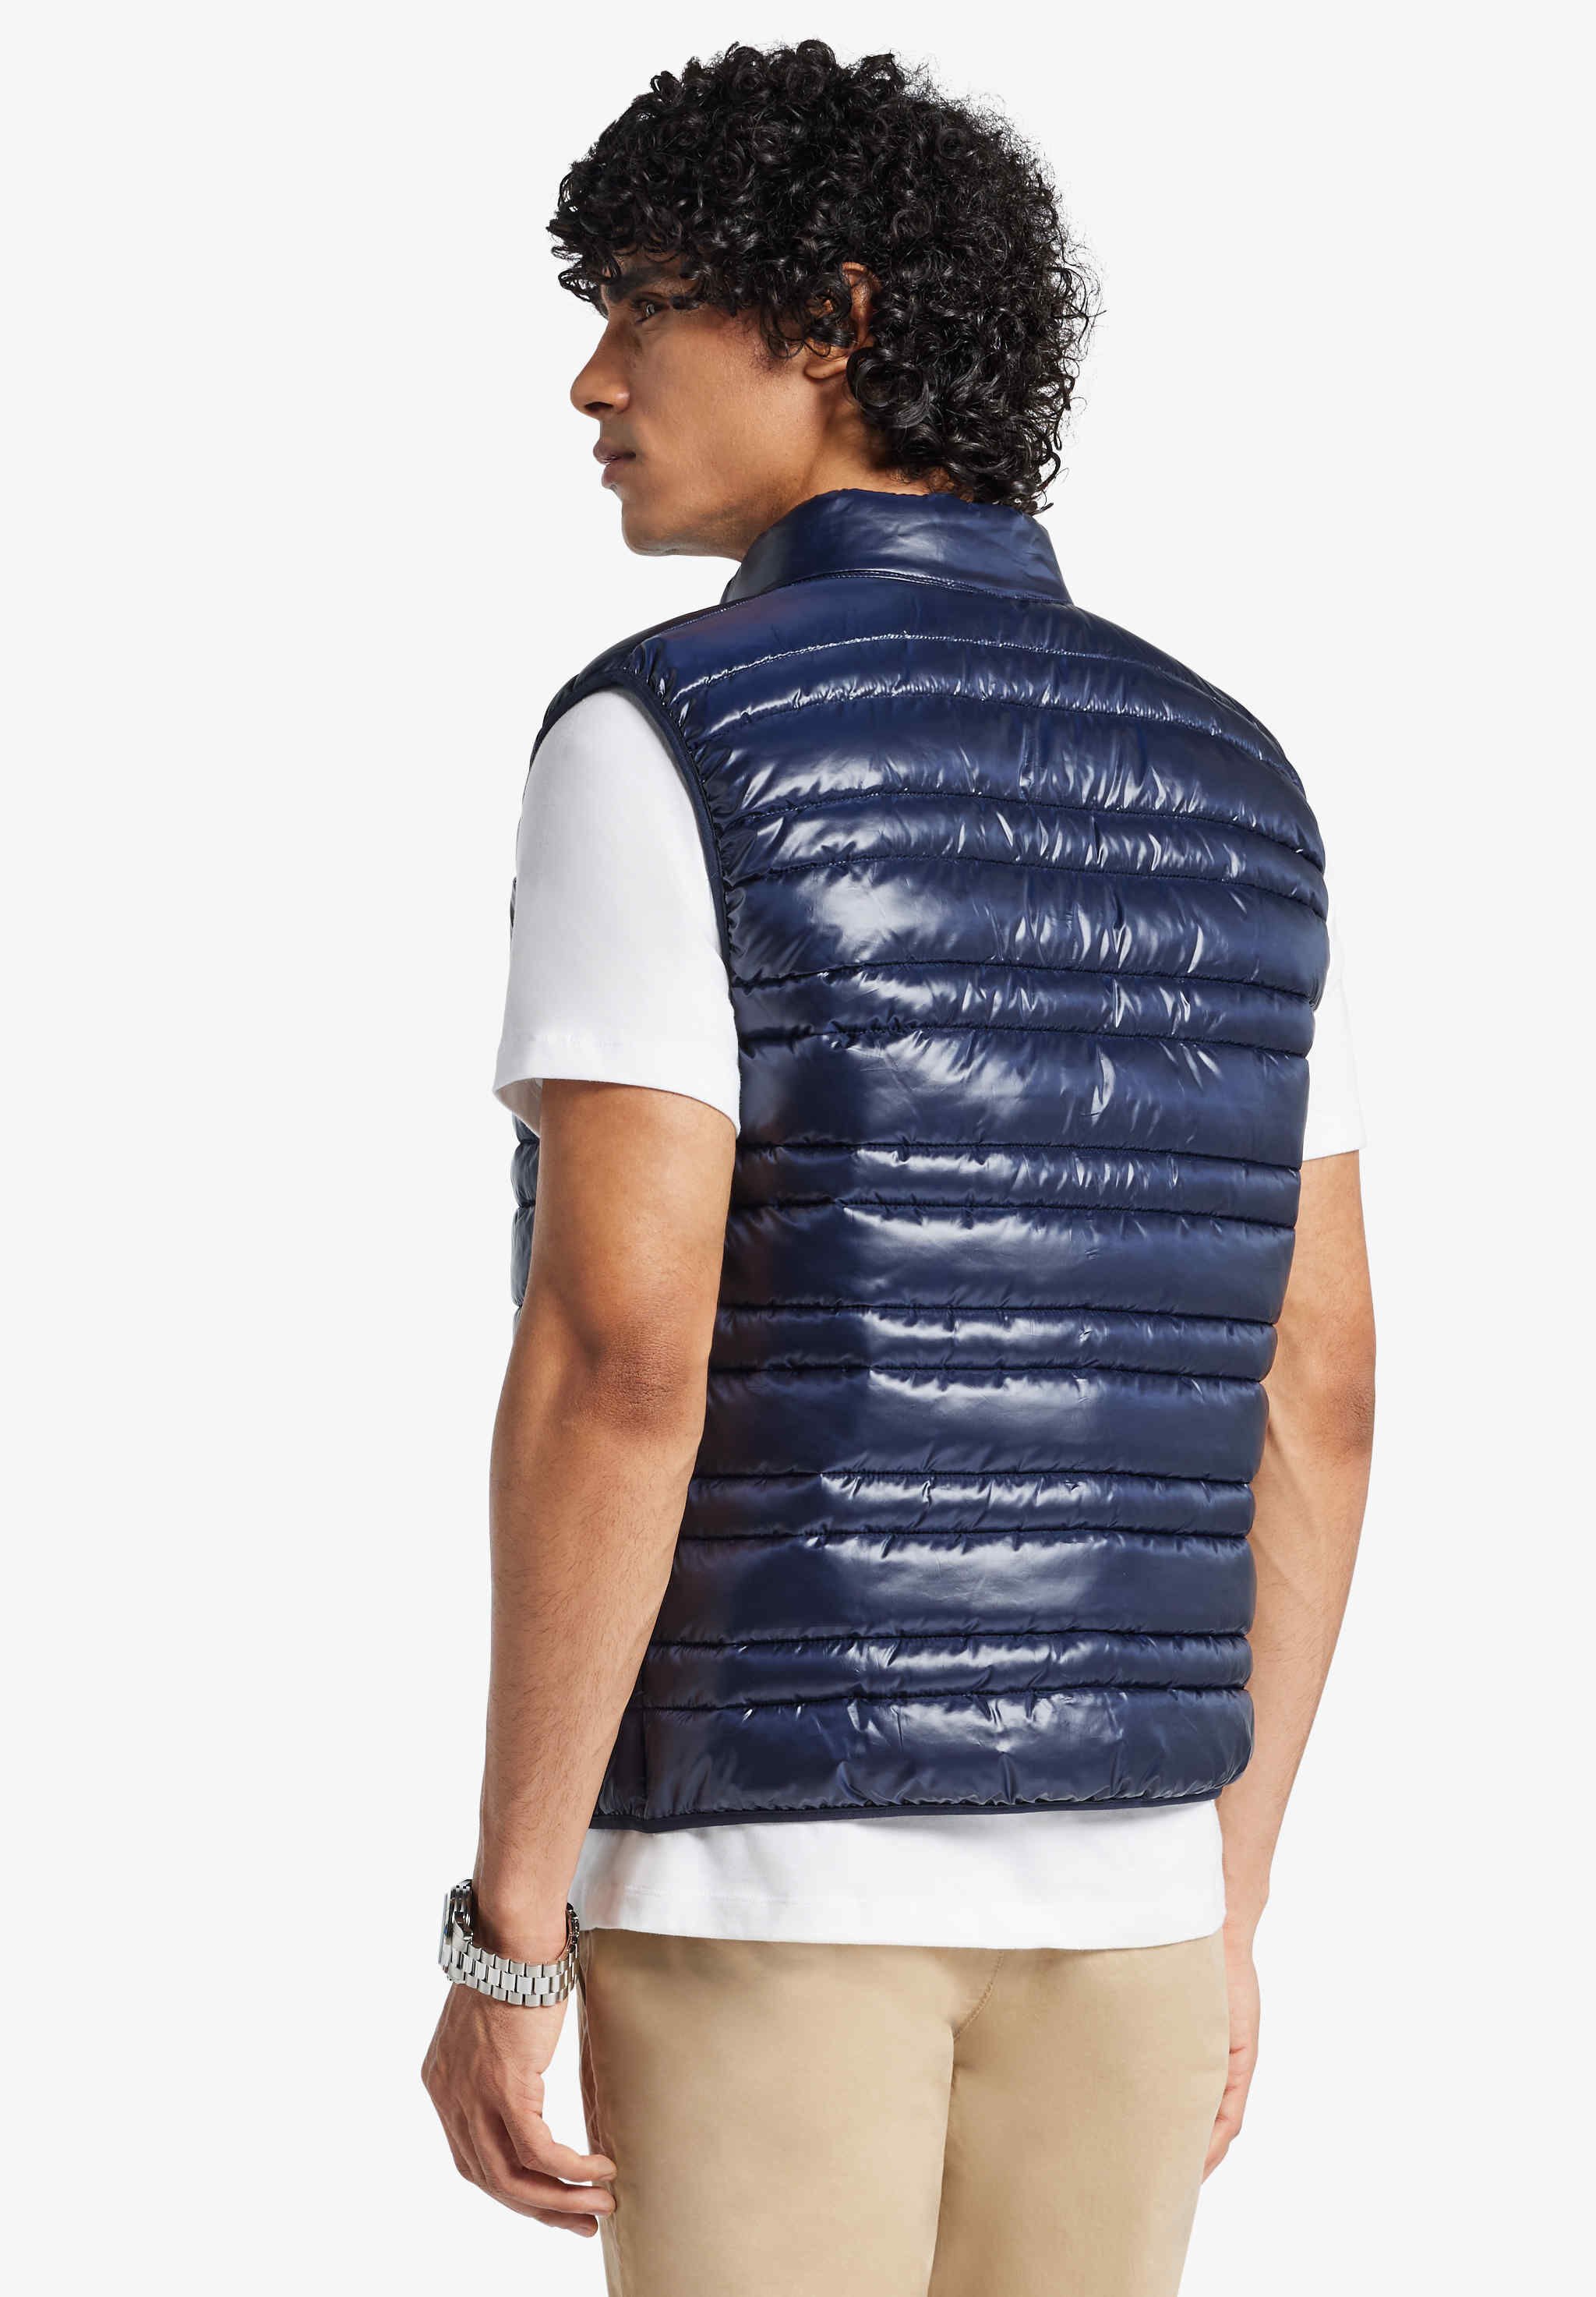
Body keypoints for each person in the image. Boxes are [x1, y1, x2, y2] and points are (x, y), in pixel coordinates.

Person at [422, 40, 1375, 2297]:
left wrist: (513, 1929)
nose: (591, 381)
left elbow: (622, 1354)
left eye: (641, 307)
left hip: (772, 1881)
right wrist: (1223, 1899)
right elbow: (1320, 1385)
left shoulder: (671, 733)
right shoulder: (1242, 780)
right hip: (1136, 1899)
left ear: (832, 319)